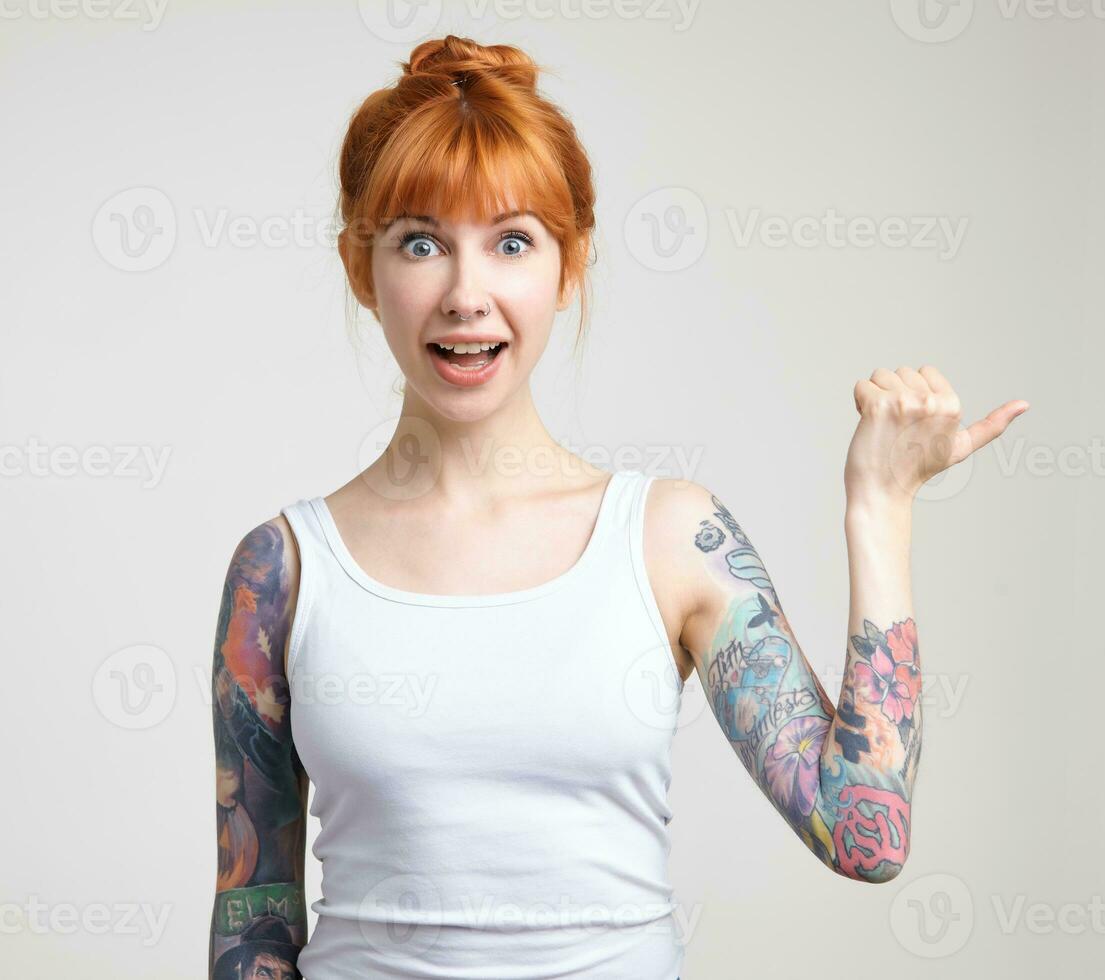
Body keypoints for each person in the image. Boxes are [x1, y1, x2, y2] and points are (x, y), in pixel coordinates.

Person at [208, 33, 1027, 979]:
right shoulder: (281, 571)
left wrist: (879, 508)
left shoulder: (671, 539)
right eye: (421, 243)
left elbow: (864, 835)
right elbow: (254, 919)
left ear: (570, 265)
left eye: (512, 241)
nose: (466, 295)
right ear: (363, 267)